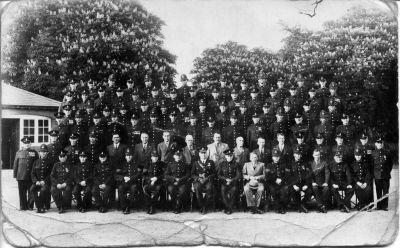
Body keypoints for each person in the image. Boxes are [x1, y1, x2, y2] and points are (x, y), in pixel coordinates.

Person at [13, 137, 37, 211]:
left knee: (31, 191)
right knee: (22, 192)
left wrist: (36, 176)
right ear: (22, 144)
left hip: (31, 176)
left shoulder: (35, 153)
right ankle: (23, 206)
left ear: (30, 144)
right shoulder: (19, 153)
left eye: (28, 143)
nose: (27, 144)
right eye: (25, 143)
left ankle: (30, 206)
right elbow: (16, 164)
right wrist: (15, 175)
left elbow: (37, 164)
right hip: (21, 176)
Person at [192, 147, 216, 214]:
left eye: (204, 153)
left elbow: (214, 173)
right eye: (201, 153)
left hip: (208, 180)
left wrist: (207, 178)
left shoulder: (211, 162)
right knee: (197, 188)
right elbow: (192, 174)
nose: (203, 154)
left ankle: (205, 206)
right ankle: (201, 206)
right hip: (198, 181)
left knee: (209, 188)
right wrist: (198, 178)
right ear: (199, 154)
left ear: (207, 154)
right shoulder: (196, 163)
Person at [116, 149, 141, 214]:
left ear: (132, 156)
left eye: (130, 155)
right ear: (125, 157)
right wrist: (123, 177)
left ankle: (129, 206)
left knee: (133, 188)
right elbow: (117, 175)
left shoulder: (136, 164)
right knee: (120, 188)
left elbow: (138, 174)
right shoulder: (122, 164)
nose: (129, 157)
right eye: (127, 155)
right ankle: (123, 206)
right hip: (124, 182)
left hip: (133, 183)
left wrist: (130, 178)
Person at [288, 147, 312, 213]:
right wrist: (293, 185)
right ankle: (299, 206)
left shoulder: (305, 164)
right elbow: (289, 176)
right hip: (295, 184)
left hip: (303, 184)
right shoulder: (290, 164)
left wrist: (307, 185)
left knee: (309, 191)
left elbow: (308, 175)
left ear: (300, 155)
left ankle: (302, 204)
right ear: (294, 155)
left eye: (299, 154)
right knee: (292, 191)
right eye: (296, 154)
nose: (298, 156)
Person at [372, 136, 393, 211]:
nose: (380, 144)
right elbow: (372, 165)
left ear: (382, 143)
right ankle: (379, 205)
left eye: (381, 143)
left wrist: (387, 171)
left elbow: (390, 164)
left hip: (385, 175)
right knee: (378, 191)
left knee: (385, 191)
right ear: (375, 144)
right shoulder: (373, 153)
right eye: (378, 143)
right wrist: (374, 174)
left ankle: (385, 206)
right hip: (377, 175)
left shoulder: (387, 152)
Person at [265, 149, 289, 214]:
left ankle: (282, 207)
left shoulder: (284, 165)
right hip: (272, 183)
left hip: (282, 183)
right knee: (273, 190)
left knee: (284, 190)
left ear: (279, 157)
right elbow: (267, 176)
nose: (276, 158)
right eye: (275, 157)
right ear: (272, 157)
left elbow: (287, 175)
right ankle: (277, 207)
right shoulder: (269, 165)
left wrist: (282, 179)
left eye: (277, 156)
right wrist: (275, 179)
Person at [31, 144, 53, 213]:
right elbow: (32, 173)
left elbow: (51, 174)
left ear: (47, 153)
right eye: (41, 152)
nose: (43, 153)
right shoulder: (36, 162)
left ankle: (41, 207)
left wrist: (45, 181)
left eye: (44, 152)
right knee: (32, 189)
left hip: (46, 183)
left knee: (43, 190)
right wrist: (36, 181)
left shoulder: (50, 162)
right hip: (37, 182)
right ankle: (39, 206)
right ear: (39, 152)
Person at [218, 149, 241, 214]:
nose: (229, 157)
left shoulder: (236, 164)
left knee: (234, 191)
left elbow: (238, 175)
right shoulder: (222, 164)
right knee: (223, 192)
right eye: (228, 156)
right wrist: (225, 179)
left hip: (233, 183)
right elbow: (219, 175)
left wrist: (232, 180)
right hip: (224, 183)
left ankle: (230, 208)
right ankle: (226, 207)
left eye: (231, 156)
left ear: (233, 156)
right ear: (225, 156)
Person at [143, 150, 165, 214]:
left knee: (157, 190)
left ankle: (152, 207)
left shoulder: (161, 164)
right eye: (153, 157)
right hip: (149, 182)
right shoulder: (147, 164)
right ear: (151, 157)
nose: (155, 158)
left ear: (158, 158)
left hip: (159, 182)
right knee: (145, 190)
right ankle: (148, 206)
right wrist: (150, 179)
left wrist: (156, 178)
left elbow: (164, 174)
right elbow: (144, 175)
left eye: (156, 157)